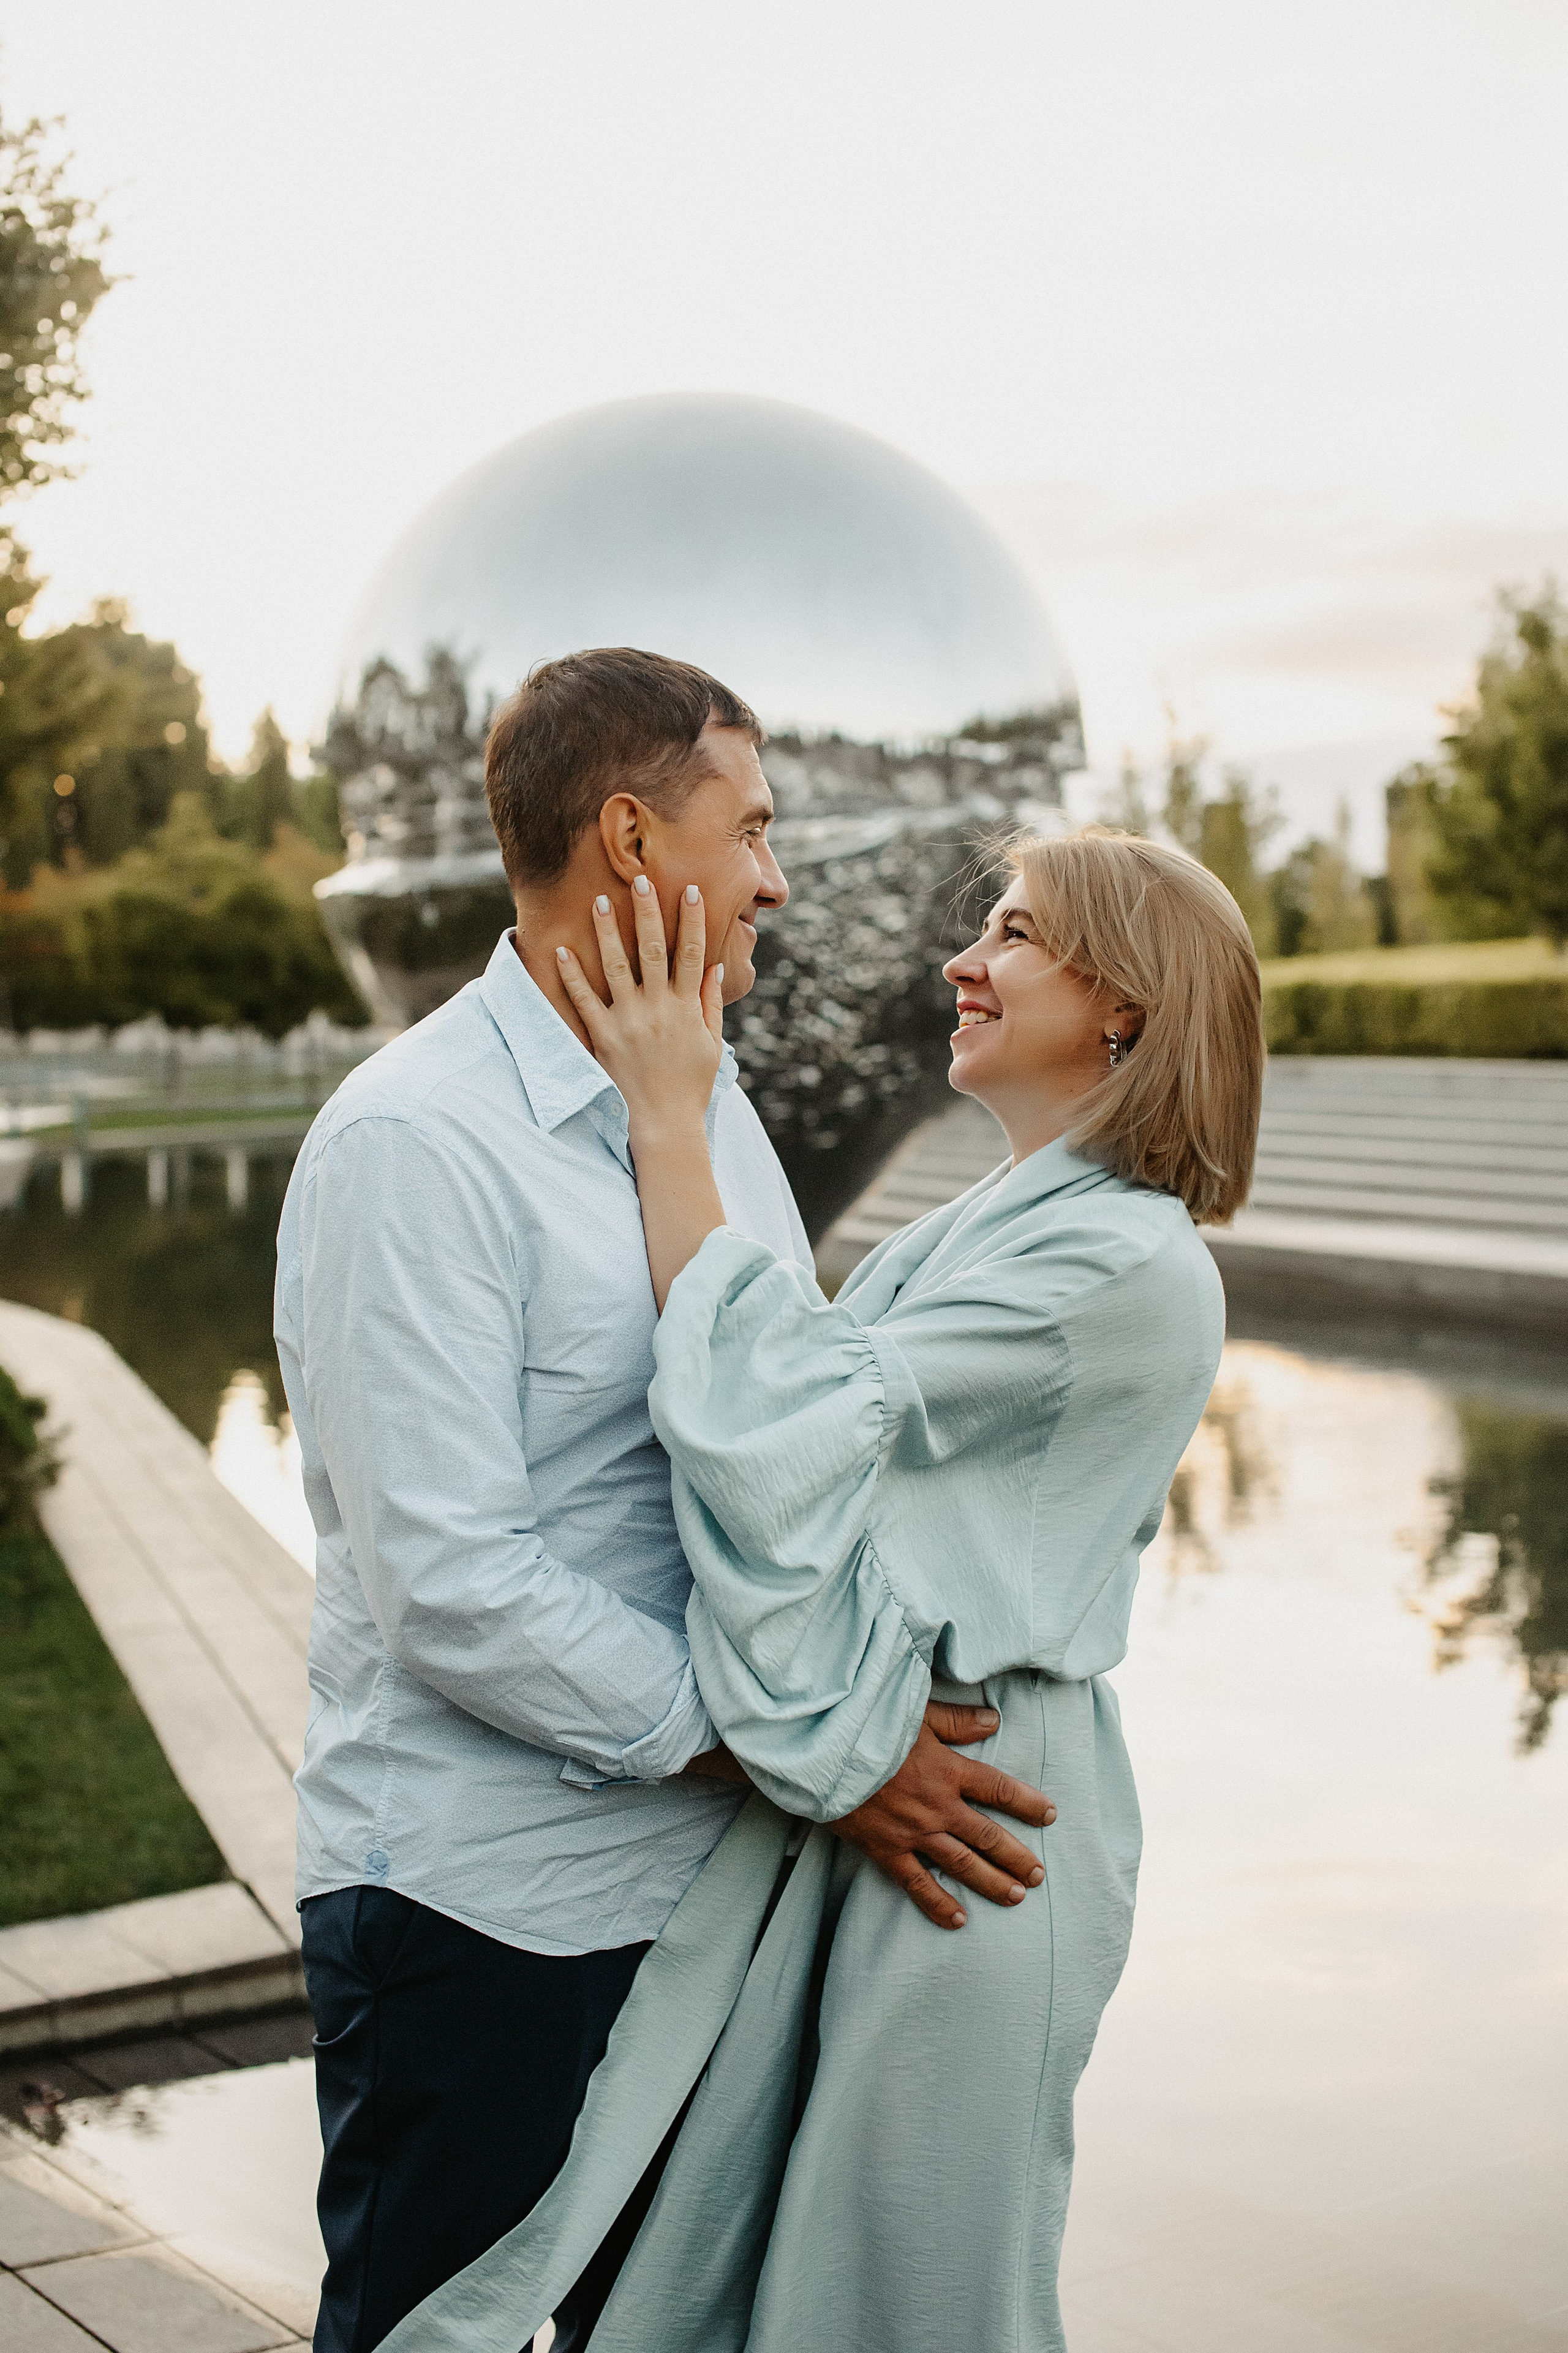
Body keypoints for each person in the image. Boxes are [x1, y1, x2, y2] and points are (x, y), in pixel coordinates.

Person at [379, 823, 1265, 2353]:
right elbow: (805, 1452)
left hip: (978, 1822)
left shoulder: (1123, 1262)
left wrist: (669, 1110)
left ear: (1122, 1001)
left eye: (1011, 935)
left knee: (902, 2301)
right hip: (903, 1792)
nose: (959, 965)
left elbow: (771, 1422)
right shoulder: (1000, 1221)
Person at [274, 647, 1056, 2353]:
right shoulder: (413, 1143)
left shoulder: (712, 1115)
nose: (781, 875)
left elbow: (773, 1451)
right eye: (754, 827)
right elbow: (454, 1583)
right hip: (490, 1917)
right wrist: (815, 1749)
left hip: (709, 1900)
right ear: (632, 838)